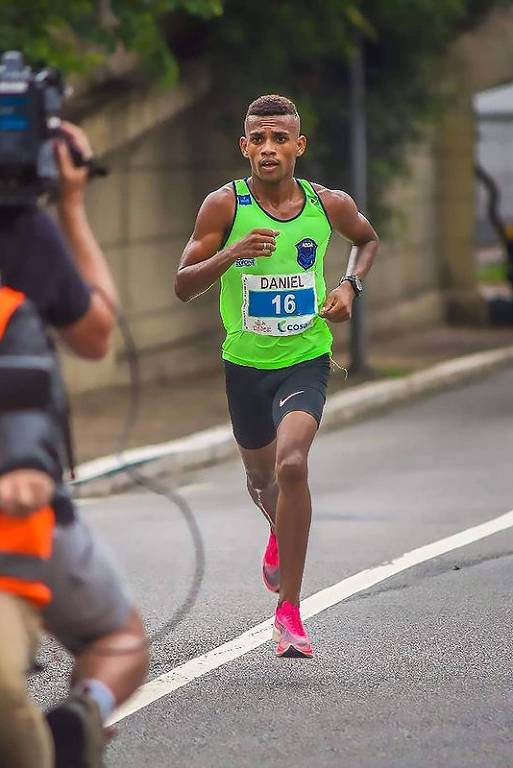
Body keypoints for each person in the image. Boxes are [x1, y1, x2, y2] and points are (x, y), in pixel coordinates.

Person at [175, 94, 379, 658]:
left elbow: (366, 240)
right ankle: (276, 528)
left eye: (279, 139)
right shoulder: (224, 206)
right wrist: (231, 254)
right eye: (258, 140)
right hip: (245, 363)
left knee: (293, 464)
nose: (269, 149)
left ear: (298, 146)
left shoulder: (327, 204)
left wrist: (348, 286)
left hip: (306, 355)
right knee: (262, 481)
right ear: (245, 147)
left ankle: (289, 611)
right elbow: (184, 283)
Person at [0, 122, 149, 767]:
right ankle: (83, 713)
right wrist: (73, 205)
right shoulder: (20, 233)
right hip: (21, 504)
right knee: (120, 635)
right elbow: (95, 333)